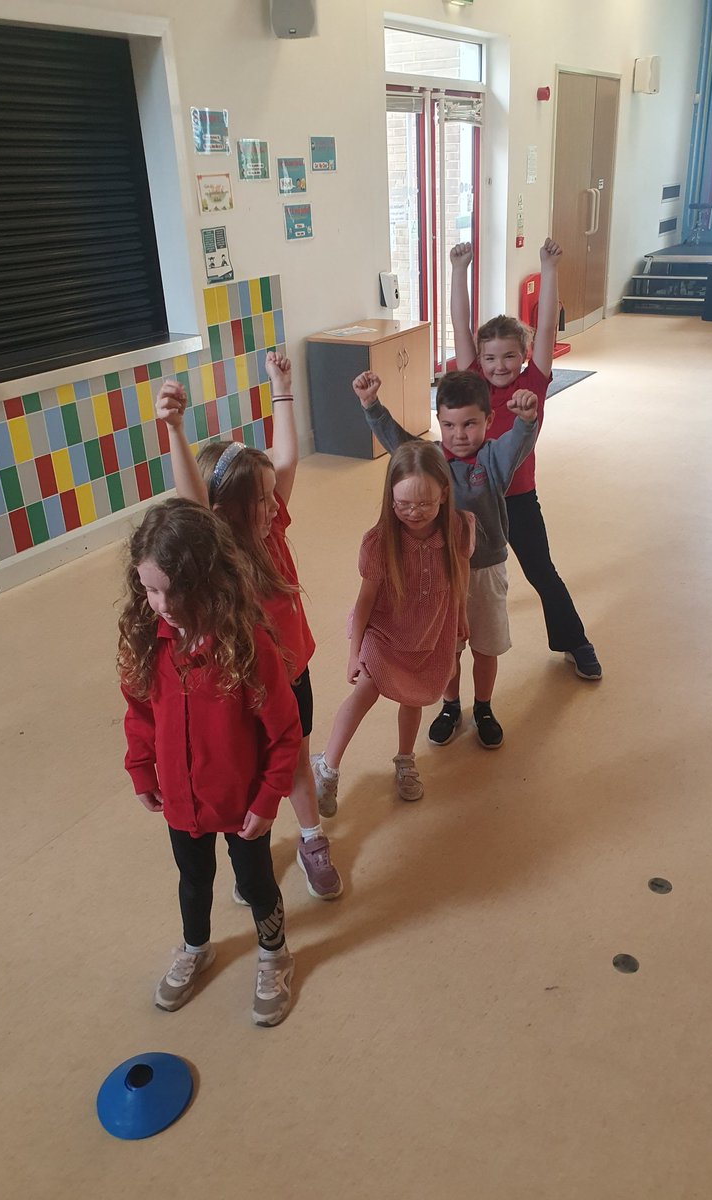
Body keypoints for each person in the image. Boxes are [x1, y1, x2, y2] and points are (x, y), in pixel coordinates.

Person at [155, 356, 342, 901]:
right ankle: (251, 862)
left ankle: (311, 839)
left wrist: (281, 388)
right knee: (252, 777)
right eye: (260, 499)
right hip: (243, 689)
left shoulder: (272, 524)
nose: (274, 503)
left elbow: (285, 458)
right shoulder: (217, 551)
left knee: (296, 766)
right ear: (223, 511)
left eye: (269, 496)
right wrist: (173, 429)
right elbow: (192, 497)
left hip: (293, 675)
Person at [118, 499, 302, 1026]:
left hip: (243, 803)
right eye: (151, 589)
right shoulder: (148, 642)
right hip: (180, 799)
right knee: (193, 879)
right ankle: (196, 946)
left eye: (176, 590)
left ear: (210, 580)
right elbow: (138, 712)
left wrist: (268, 800)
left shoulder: (248, 645)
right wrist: (141, 768)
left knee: (257, 881)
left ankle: (274, 955)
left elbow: (285, 734)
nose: (163, 604)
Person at [351, 368, 537, 752]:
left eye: (470, 424)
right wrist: (372, 406)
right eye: (449, 424)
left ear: (488, 421)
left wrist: (526, 420)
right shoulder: (431, 460)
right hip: (440, 574)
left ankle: (483, 707)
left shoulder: (493, 459)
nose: (459, 434)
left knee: (485, 645)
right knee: (446, 647)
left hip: (484, 571)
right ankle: (450, 705)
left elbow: (518, 442)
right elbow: (398, 444)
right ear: (439, 422)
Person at [450, 237, 602, 680]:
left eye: (509, 356)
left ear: (524, 355)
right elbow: (461, 325)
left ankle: (575, 641)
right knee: (456, 579)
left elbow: (548, 323)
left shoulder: (535, 380)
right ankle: (449, 663)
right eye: (491, 356)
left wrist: (547, 269)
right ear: (480, 358)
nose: (499, 365)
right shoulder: (472, 378)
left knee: (541, 570)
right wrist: (459, 271)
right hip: (470, 499)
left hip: (517, 497)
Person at [310, 439, 475, 812]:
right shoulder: (380, 542)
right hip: (383, 631)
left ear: (444, 494)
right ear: (390, 498)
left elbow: (461, 574)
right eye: (403, 504)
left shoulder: (458, 530)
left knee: (413, 698)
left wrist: (462, 615)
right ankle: (328, 768)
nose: (414, 512)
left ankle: (404, 761)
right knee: (365, 691)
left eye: (425, 504)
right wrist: (354, 653)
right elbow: (365, 599)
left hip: (429, 631)